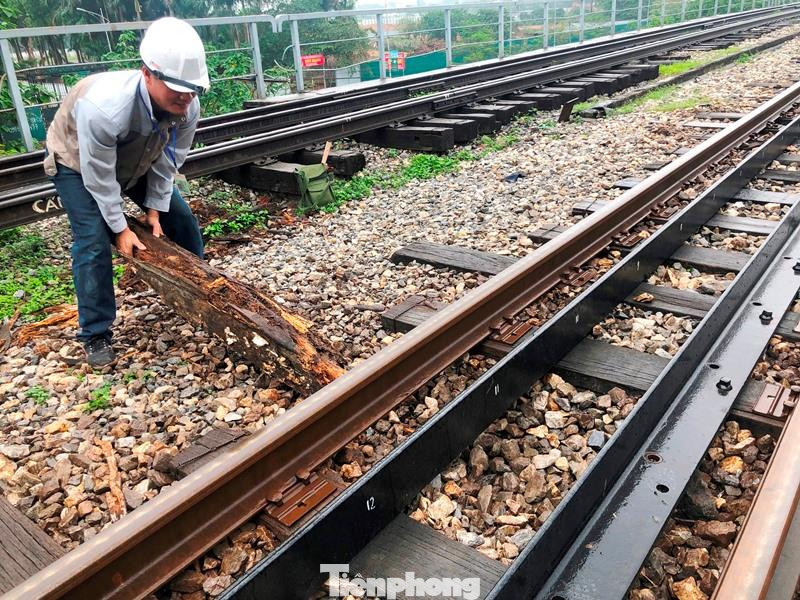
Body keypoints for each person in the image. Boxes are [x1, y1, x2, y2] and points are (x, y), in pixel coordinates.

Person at [44, 17, 209, 367]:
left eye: (191, 87)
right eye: (176, 86)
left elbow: (171, 158)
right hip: (76, 162)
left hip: (138, 157)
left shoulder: (187, 106)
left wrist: (154, 208)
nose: (185, 95)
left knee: (179, 219)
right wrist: (119, 229)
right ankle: (95, 333)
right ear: (147, 73)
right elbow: (100, 176)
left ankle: (205, 291)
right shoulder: (104, 109)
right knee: (91, 240)